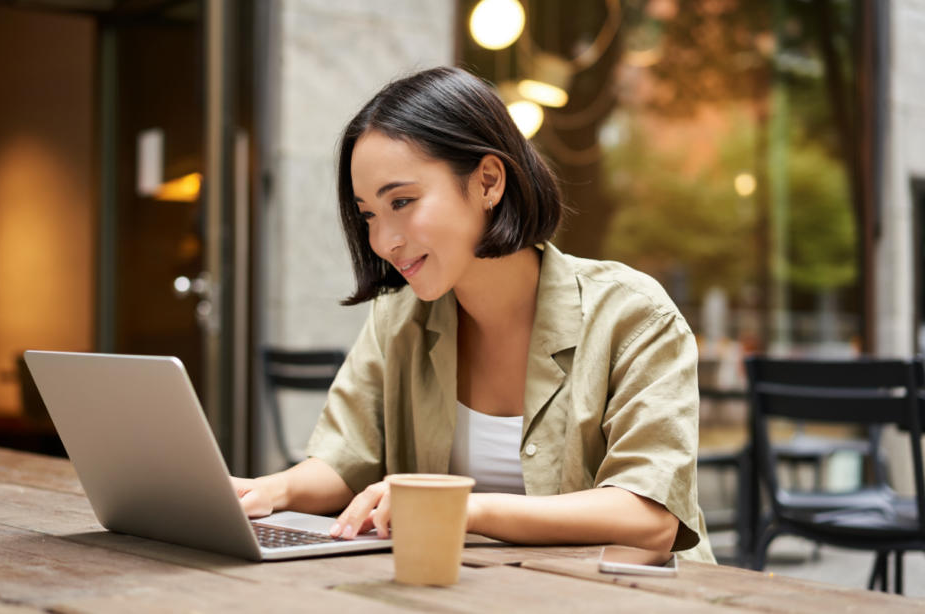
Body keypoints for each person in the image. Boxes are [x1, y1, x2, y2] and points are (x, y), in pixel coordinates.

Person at [233, 66, 715, 563]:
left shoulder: (634, 315)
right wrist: (267, 492)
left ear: (488, 181)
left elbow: (649, 518)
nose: (384, 240)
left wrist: (461, 508)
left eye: (402, 201)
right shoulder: (399, 320)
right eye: (370, 215)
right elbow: (342, 460)